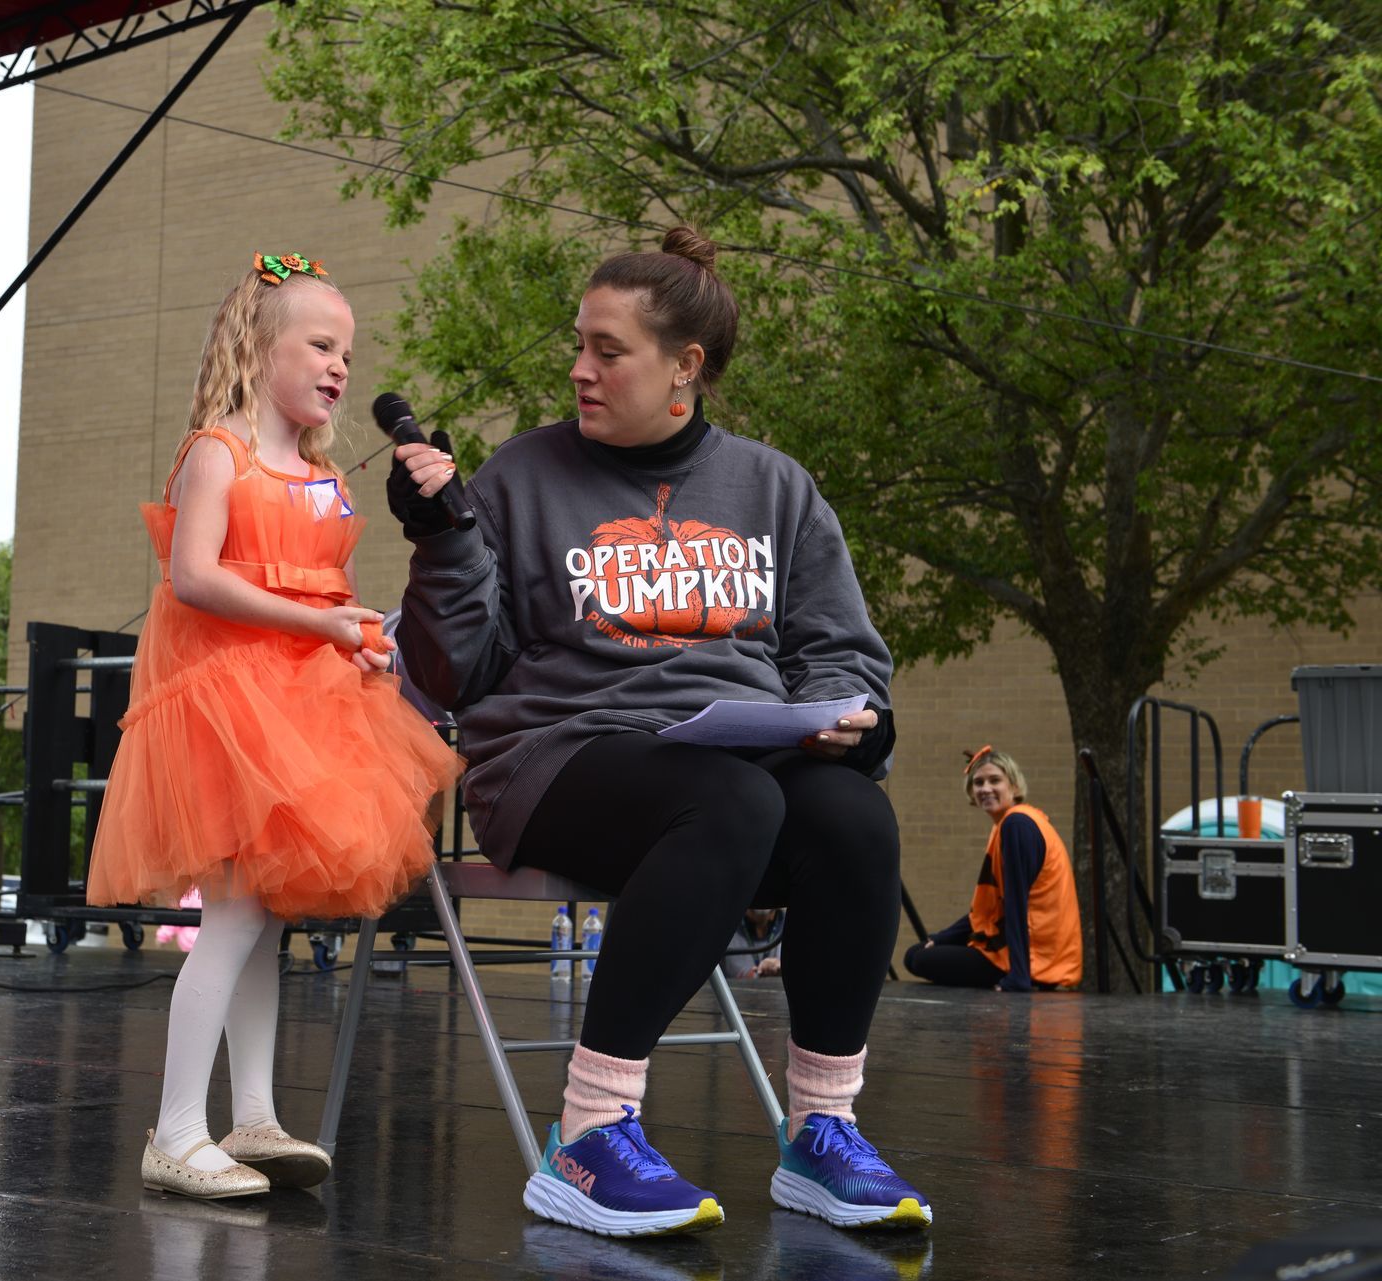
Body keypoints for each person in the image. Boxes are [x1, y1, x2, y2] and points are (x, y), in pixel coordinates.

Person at [389, 227, 932, 1238]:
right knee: (733, 801)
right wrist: (442, 543)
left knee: (854, 817)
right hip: (559, 754)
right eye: (579, 345)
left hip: (734, 758)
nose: (579, 369)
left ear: (685, 366)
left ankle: (823, 1132)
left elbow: (838, 650)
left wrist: (852, 720)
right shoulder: (521, 475)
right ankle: (590, 1133)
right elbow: (453, 673)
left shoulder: (775, 486)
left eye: (608, 350)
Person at [87, 252, 462, 1201]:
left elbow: (331, 593)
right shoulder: (220, 450)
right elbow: (194, 576)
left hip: (303, 706)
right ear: (259, 349)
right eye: (322, 345)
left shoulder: (325, 475)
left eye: (349, 353)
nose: (341, 367)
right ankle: (177, 1128)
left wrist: (358, 640)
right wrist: (319, 625)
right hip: (227, 704)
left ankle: (251, 1114)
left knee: (263, 918)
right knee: (236, 913)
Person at [904, 746, 1083, 992]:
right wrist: (941, 938)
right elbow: (991, 909)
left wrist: (1019, 979)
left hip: (1037, 960)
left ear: (1015, 787)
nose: (985, 788)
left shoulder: (1017, 825)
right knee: (917, 952)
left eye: (995, 780)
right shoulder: (1009, 825)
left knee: (918, 959)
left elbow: (1016, 903)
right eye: (978, 782)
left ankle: (1019, 976)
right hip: (1026, 953)